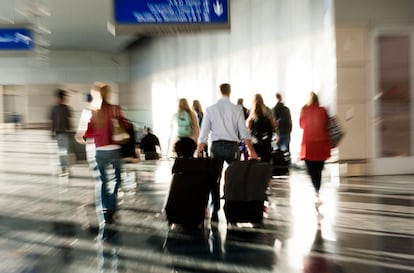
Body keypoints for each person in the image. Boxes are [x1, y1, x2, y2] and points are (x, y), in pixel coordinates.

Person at [196, 83, 258, 222]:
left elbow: (204, 132)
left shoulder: (210, 109)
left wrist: (199, 150)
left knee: (214, 179)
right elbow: (243, 131)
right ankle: (231, 208)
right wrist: (251, 150)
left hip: (216, 146)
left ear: (219, 92)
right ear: (230, 92)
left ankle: (215, 209)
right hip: (232, 147)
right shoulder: (237, 109)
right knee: (233, 179)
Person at [83, 83, 130, 224]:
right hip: (114, 149)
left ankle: (104, 207)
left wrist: (89, 136)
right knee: (117, 180)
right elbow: (126, 125)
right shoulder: (115, 109)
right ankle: (111, 205)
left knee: (102, 181)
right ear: (109, 94)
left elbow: (88, 132)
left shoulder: (94, 111)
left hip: (100, 151)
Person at [300, 91, 331, 210]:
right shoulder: (323, 110)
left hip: (309, 146)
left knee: (312, 171)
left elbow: (301, 125)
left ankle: (316, 191)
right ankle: (317, 192)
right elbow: (327, 124)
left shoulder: (305, 110)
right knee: (318, 171)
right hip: (321, 145)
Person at [246, 94, 275, 162]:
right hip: (266, 144)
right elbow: (273, 126)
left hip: (255, 145)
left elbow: (247, 131)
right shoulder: (268, 112)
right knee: (266, 164)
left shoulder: (251, 116)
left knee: (255, 167)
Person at [49, 89, 72, 174]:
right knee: (61, 150)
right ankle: (63, 167)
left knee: (66, 150)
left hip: (65, 133)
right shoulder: (54, 108)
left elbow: (68, 121)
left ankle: (66, 167)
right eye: (63, 97)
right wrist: (51, 132)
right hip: (58, 133)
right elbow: (52, 121)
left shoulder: (66, 108)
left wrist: (70, 131)